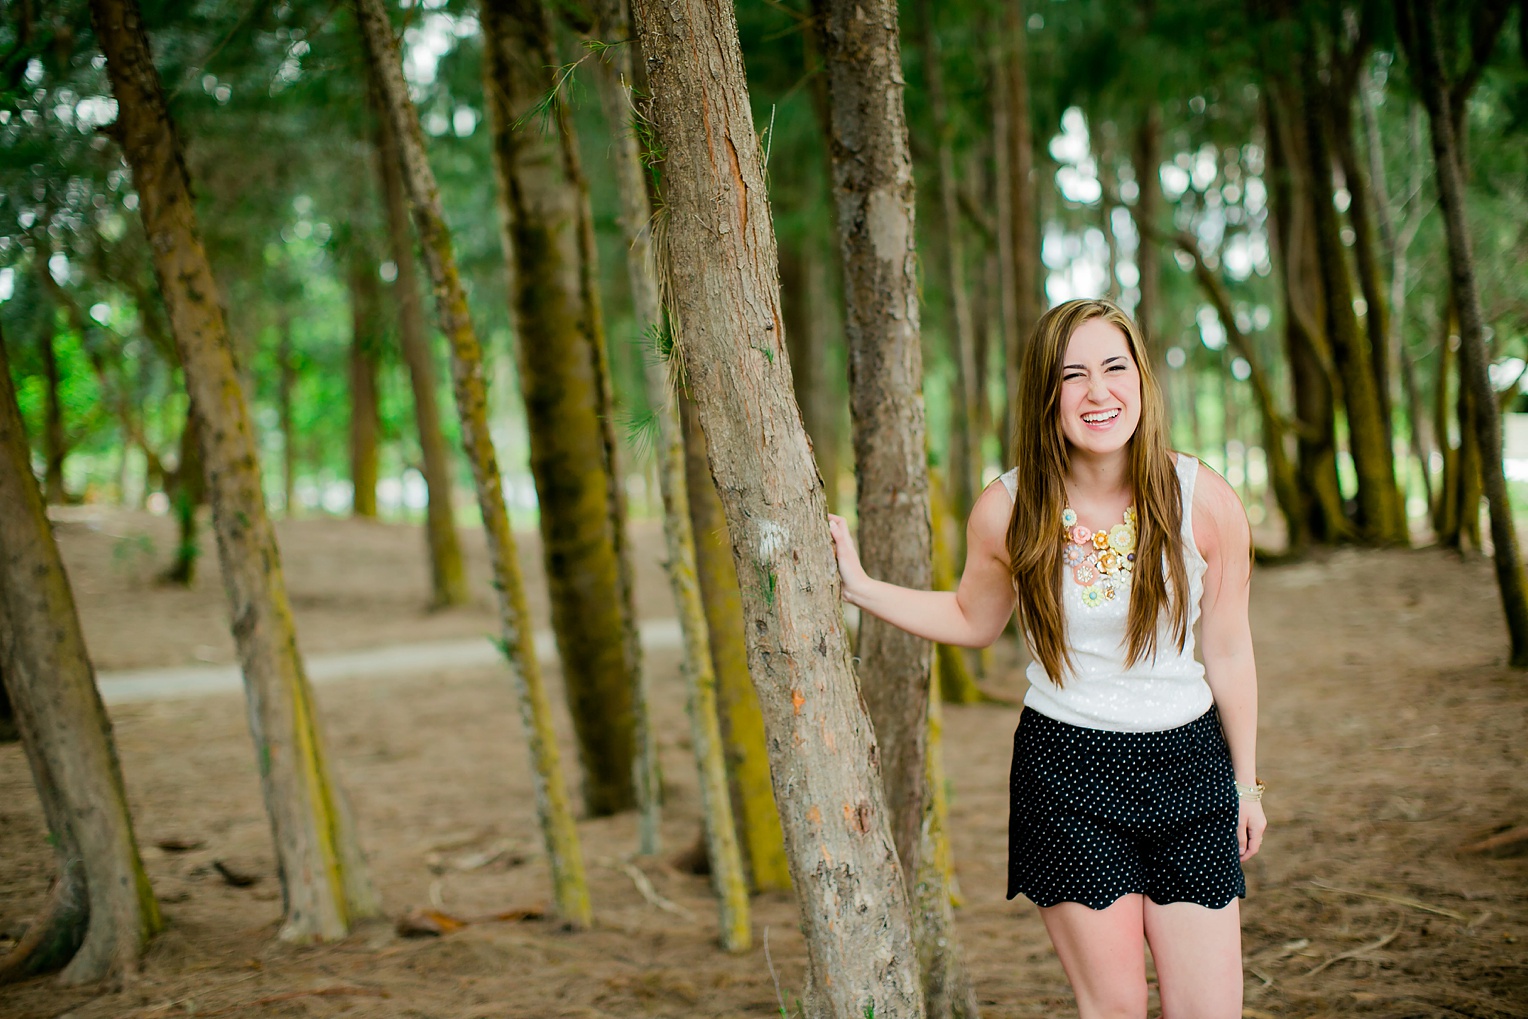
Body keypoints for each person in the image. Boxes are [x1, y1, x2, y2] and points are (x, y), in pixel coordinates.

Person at [827, 298, 1265, 1018]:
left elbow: (1228, 645)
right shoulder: (1009, 506)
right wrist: (861, 588)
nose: (1099, 392)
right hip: (1068, 773)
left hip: (1192, 767)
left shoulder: (1204, 498)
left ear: (1142, 381)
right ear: (1046, 394)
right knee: (1114, 1008)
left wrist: (1246, 783)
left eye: (1115, 367)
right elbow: (973, 618)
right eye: (1074, 374)